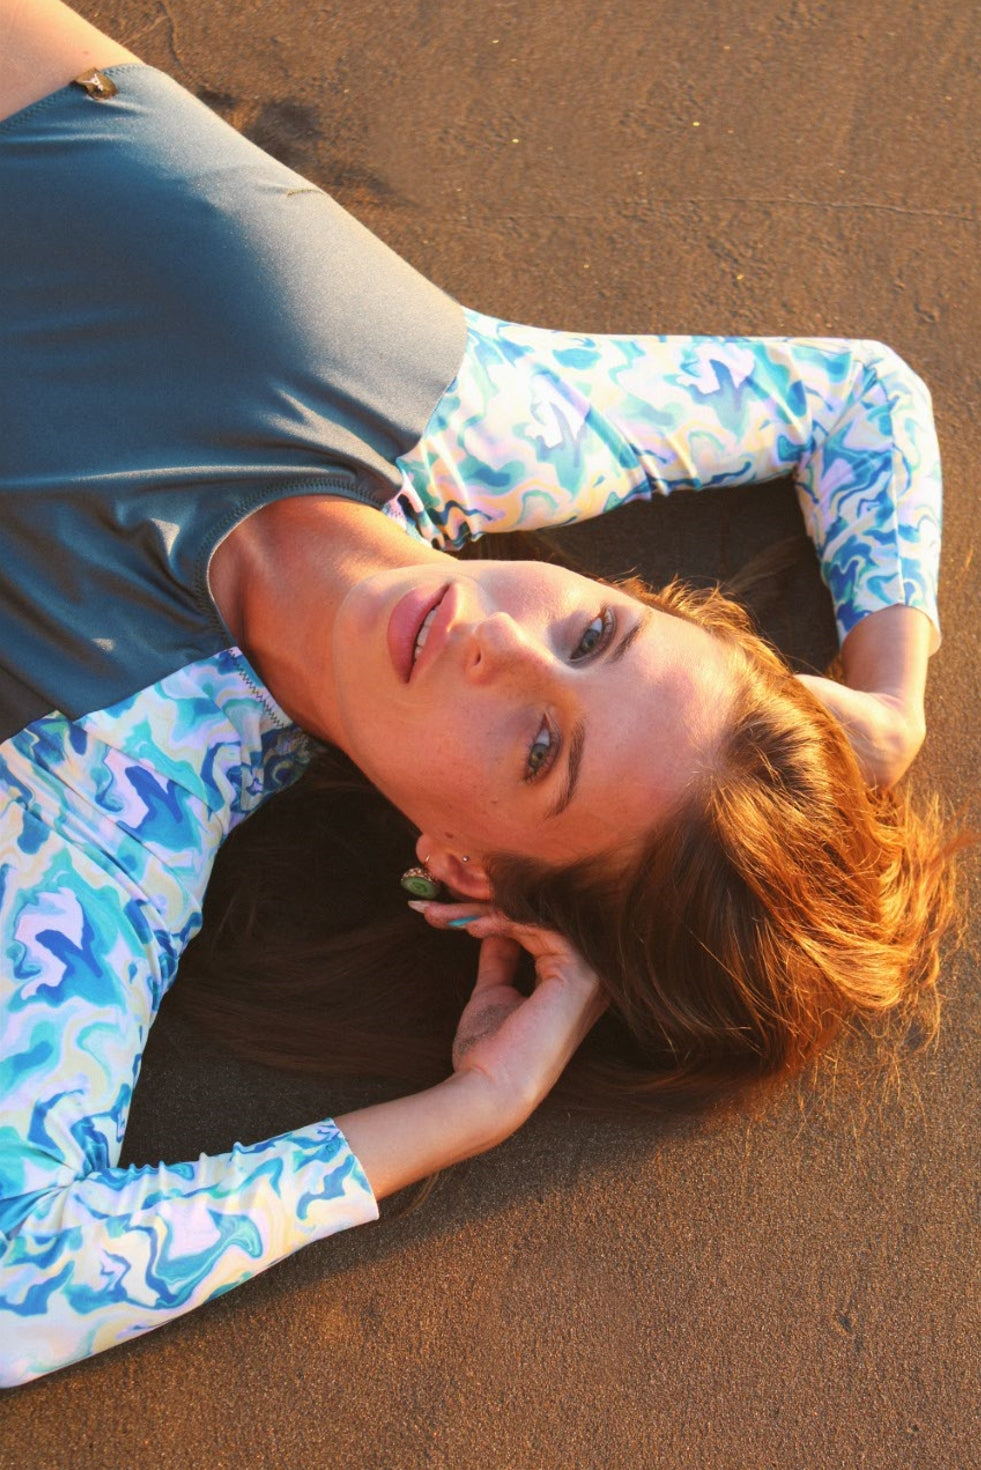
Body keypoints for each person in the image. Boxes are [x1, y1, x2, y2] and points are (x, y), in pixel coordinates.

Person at [0, 0, 953, 1387]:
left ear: (462, 872)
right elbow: (856, 400)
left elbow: (18, 1274)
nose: (501, 645)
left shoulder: (113, 796)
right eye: (595, 634)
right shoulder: (481, 415)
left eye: (539, 751)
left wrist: (468, 1112)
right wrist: (888, 692)